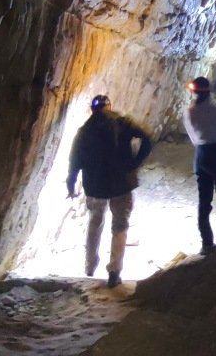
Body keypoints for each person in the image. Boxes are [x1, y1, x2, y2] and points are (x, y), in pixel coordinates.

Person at [66, 94, 152, 287]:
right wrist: (134, 163)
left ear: (92, 110)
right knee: (120, 225)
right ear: (110, 106)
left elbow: (74, 161)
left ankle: (89, 265)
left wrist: (71, 184)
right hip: (121, 183)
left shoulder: (84, 131)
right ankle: (114, 271)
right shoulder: (122, 123)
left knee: (94, 222)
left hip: (95, 186)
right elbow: (147, 138)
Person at [183, 76, 216, 255]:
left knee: (204, 200)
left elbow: (192, 136)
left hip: (202, 154)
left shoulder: (189, 112)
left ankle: (207, 243)